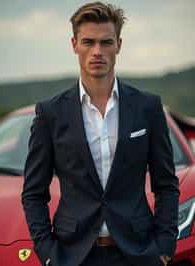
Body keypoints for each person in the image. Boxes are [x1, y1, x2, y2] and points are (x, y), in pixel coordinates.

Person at [21, 2, 180, 266]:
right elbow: (33, 193)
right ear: (74, 45)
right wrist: (48, 254)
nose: (97, 51)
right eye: (88, 42)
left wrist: (163, 248)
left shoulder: (148, 107)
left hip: (138, 254)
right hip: (72, 256)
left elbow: (166, 185)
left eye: (106, 42)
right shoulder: (50, 113)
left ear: (118, 44)